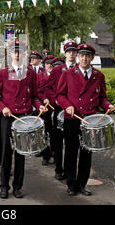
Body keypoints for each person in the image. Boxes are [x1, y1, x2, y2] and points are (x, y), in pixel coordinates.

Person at [56, 43, 115, 196]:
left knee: (86, 153)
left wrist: (108, 105)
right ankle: (71, 184)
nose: (84, 58)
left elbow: (103, 98)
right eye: (81, 55)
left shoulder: (98, 76)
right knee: (70, 153)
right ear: (78, 56)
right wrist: (67, 105)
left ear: (92, 58)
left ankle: (82, 184)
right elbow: (60, 95)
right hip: (73, 118)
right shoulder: (68, 73)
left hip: (90, 120)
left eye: (87, 56)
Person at [0, 39, 47, 199]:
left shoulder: (30, 73)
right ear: (10, 53)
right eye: (15, 51)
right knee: (6, 153)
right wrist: (2, 106)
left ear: (24, 54)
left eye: (20, 52)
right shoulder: (3, 73)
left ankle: (17, 186)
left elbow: (35, 96)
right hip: (8, 118)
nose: (17, 54)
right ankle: (4, 186)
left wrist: (39, 106)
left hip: (24, 118)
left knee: (21, 154)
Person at [42, 42, 77, 181]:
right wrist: (55, 99)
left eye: (74, 51)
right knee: (57, 140)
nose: (72, 54)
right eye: (69, 52)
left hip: (75, 111)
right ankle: (58, 168)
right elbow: (46, 87)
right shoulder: (57, 70)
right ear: (65, 53)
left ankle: (69, 172)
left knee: (71, 143)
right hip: (58, 109)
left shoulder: (79, 69)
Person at [37, 54, 55, 165]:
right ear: (44, 64)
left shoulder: (58, 74)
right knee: (45, 132)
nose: (50, 65)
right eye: (48, 63)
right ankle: (45, 155)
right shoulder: (39, 76)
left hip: (56, 107)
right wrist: (44, 99)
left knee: (55, 133)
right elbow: (37, 91)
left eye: (51, 63)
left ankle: (55, 153)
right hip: (45, 109)